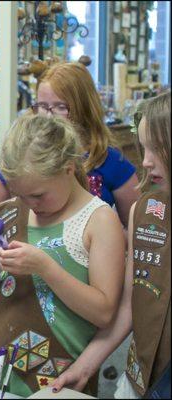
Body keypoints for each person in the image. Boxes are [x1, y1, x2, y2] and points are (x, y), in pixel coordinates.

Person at [0, 114, 125, 397]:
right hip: (0, 368)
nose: (29, 205)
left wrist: (46, 268)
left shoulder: (98, 221)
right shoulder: (12, 210)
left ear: (68, 168)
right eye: (20, 195)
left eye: (38, 195)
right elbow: (1, 287)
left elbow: (104, 312)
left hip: (59, 379)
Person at [52, 91, 170, 398]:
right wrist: (84, 367)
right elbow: (129, 306)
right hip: (139, 380)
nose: (145, 161)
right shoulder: (143, 213)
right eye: (144, 148)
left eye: (157, 149)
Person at [0, 62, 140, 229]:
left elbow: (136, 233)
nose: (49, 116)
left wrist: (105, 238)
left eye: (60, 107)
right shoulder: (19, 159)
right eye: (42, 106)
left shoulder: (111, 163)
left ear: (84, 108)